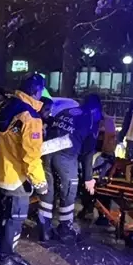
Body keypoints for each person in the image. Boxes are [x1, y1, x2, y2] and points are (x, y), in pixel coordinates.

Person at [0, 73, 48, 265]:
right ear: (36, 91)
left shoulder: (2, 107)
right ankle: (4, 258)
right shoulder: (30, 117)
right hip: (17, 179)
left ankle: (7, 252)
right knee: (13, 220)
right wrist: (41, 183)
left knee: (5, 218)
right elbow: (31, 157)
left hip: (0, 174)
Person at [37, 94, 103, 242]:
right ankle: (65, 230)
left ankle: (44, 230)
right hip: (66, 156)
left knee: (48, 190)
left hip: (45, 152)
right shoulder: (91, 120)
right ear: (96, 109)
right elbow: (87, 153)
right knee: (68, 191)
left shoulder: (65, 111)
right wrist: (88, 178)